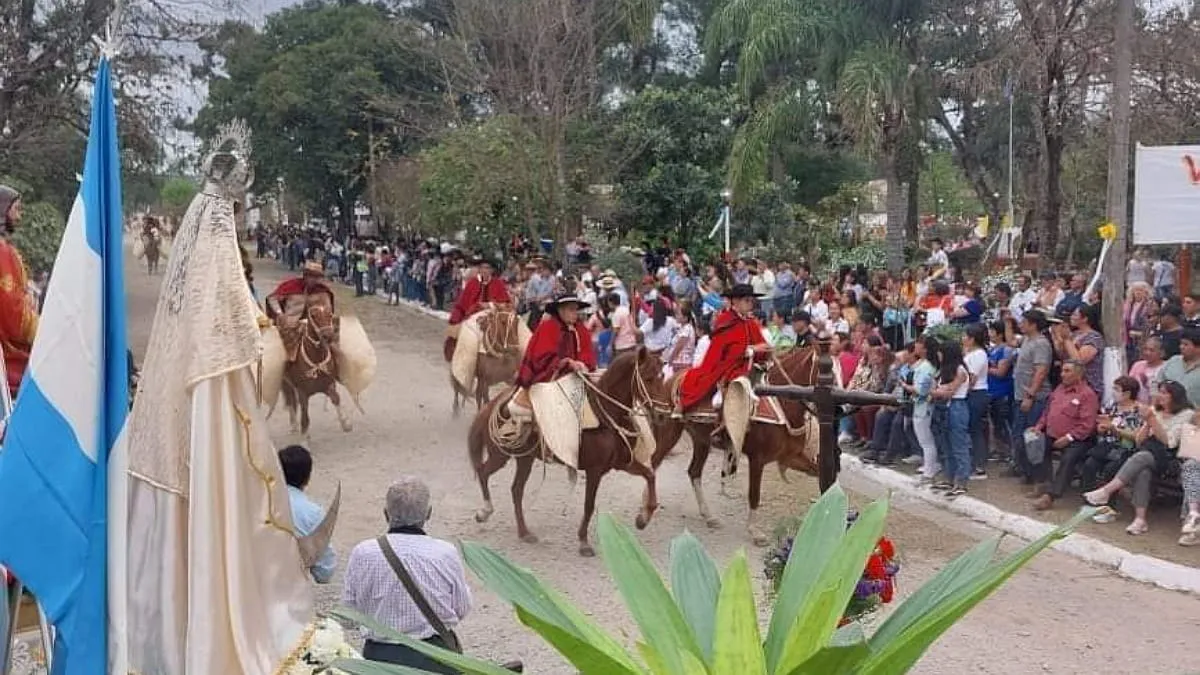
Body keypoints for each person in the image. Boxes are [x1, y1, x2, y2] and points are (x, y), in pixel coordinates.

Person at [342, 477, 472, 673]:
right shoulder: (445, 553)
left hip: (380, 661)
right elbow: (462, 608)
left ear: (386, 514)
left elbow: (348, 616)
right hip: (438, 658)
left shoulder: (363, 553)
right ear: (428, 514)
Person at [1083, 381, 1195, 535]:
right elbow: (1139, 440)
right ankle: (1140, 520)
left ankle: (1106, 491)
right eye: (1159, 392)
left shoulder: (1186, 414)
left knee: (1142, 457)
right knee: (1143, 470)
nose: (1159, 396)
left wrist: (1152, 420)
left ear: (1175, 396)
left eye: (1164, 393)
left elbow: (1169, 442)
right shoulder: (1156, 411)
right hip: (1150, 454)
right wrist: (1148, 421)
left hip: (1171, 459)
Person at [677, 284, 771, 413]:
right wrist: (751, 350)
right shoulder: (725, 320)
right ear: (735, 301)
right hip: (728, 366)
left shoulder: (750, 322)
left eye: (751, 301)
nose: (751, 304)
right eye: (747, 300)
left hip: (750, 365)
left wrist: (765, 350)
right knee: (730, 388)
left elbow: (761, 344)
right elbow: (724, 352)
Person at [507, 292, 596, 418]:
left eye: (576, 310)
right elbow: (542, 357)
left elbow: (588, 353)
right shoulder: (548, 327)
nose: (575, 313)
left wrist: (582, 364)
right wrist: (566, 363)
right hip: (551, 375)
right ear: (561, 310)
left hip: (578, 376)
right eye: (571, 310)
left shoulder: (581, 329)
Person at [1028, 360, 1099, 511]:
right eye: (1062, 371)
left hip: (1078, 438)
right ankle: (1043, 482)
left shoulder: (1087, 394)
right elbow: (1047, 412)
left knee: (1068, 458)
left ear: (1078, 374)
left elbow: (1087, 425)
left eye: (1067, 371)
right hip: (1053, 434)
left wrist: (1068, 438)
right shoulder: (1059, 389)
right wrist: (1039, 427)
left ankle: (1051, 496)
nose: (1062, 374)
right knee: (1035, 443)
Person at [0, 184, 38, 396]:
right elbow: (11, 312)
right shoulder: (3, 252)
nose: (19, 216)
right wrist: (41, 327)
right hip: (9, 358)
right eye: (16, 209)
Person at [279, 445, 336, 583]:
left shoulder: (253, 502)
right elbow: (325, 572)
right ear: (307, 477)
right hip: (290, 591)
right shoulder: (312, 513)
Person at [444, 256, 511, 361]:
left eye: (488, 268)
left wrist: (490, 305)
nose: (485, 270)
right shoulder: (472, 283)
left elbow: (505, 303)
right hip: (472, 316)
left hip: (493, 316)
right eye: (483, 268)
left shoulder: (498, 284)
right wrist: (456, 318)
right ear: (479, 269)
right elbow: (462, 303)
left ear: (492, 270)